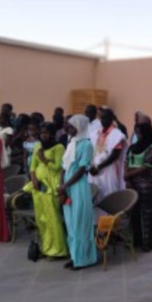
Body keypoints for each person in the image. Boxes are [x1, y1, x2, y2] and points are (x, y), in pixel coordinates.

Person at [59, 115, 97, 270]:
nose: (67, 129)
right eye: (67, 126)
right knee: (70, 223)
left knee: (80, 223)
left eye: (71, 126)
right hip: (67, 186)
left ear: (80, 127)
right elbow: (64, 167)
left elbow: (82, 169)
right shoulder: (71, 143)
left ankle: (85, 258)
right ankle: (75, 256)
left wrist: (66, 184)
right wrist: (61, 185)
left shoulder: (86, 145)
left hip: (78, 187)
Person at [27, 122, 69, 258]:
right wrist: (33, 179)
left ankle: (58, 250)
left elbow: (58, 167)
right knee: (41, 218)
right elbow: (32, 166)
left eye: (46, 132)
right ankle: (46, 247)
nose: (43, 135)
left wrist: (44, 159)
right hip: (38, 186)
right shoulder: (37, 146)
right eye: (42, 132)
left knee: (53, 218)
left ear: (51, 133)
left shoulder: (59, 147)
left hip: (52, 185)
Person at [125, 118, 152, 251]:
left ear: (146, 133)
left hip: (147, 184)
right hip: (133, 184)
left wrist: (129, 175)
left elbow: (146, 166)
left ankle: (149, 242)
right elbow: (126, 162)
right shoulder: (132, 147)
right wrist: (127, 178)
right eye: (136, 133)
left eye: (140, 133)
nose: (137, 135)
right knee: (134, 213)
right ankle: (137, 240)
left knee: (147, 212)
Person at [89, 108, 127, 200]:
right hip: (94, 169)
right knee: (94, 196)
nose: (102, 121)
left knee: (108, 196)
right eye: (101, 118)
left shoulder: (117, 135)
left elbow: (114, 155)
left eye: (105, 118)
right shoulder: (95, 133)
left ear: (111, 119)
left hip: (109, 170)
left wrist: (99, 167)